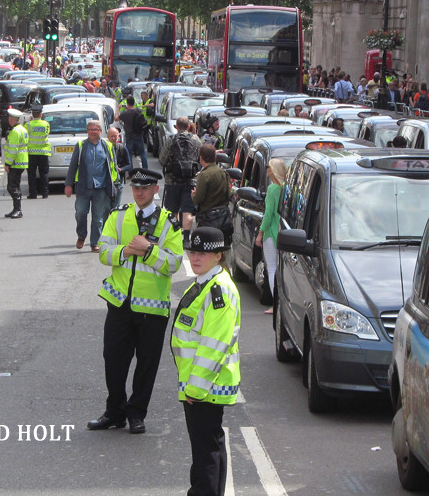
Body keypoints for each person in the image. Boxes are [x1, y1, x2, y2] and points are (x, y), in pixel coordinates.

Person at [90, 168, 183, 434]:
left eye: (145, 188)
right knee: (113, 360)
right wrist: (126, 251)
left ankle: (136, 413)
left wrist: (148, 250)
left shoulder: (169, 223)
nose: (139, 192)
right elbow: (103, 251)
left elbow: (173, 263)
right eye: (135, 188)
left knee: (146, 366)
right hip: (120, 302)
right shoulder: (118, 216)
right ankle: (115, 411)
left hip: (152, 308)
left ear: (156, 190)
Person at [172, 226, 241, 496]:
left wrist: (196, 389)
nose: (195, 258)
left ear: (218, 256)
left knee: (205, 454)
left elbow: (214, 346)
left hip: (205, 386)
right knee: (211, 446)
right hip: (203, 384)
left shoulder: (218, 291)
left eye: (202, 253)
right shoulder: (206, 282)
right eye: (192, 252)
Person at [65, 120, 118, 252]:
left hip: (101, 187)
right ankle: (81, 235)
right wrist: (68, 184)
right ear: (87, 131)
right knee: (80, 213)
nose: (93, 132)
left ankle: (95, 242)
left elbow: (113, 167)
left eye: (96, 129)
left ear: (100, 131)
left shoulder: (107, 146)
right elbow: (73, 166)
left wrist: (115, 183)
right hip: (84, 186)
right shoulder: (81, 145)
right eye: (90, 129)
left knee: (98, 218)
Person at [160, 116, 202, 244]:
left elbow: (162, 160)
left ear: (176, 127)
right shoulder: (196, 140)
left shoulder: (171, 140)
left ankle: (175, 235)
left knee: (173, 210)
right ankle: (186, 238)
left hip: (172, 181)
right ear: (188, 126)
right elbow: (201, 160)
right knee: (188, 211)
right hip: (190, 181)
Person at [255, 158, 287, 314]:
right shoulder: (285, 188)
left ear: (273, 170)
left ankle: (276, 304)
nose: (266, 168)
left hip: (271, 232)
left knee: (272, 268)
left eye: (268, 166)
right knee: (281, 270)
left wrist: (260, 233)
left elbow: (268, 214)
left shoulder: (273, 188)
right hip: (283, 231)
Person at [192, 145, 232, 244]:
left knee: (207, 246)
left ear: (201, 158)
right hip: (223, 217)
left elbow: (198, 199)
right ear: (215, 157)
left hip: (207, 218)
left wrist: (194, 195)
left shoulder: (204, 175)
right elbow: (228, 194)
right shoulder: (223, 173)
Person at [2, 109, 28, 218]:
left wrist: (8, 163)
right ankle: (16, 209)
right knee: (16, 185)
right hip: (21, 161)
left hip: (15, 162)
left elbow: (13, 150)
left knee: (11, 187)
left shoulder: (15, 132)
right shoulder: (22, 129)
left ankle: (18, 209)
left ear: (11, 119)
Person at [25, 103, 52, 199]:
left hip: (31, 153)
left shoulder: (28, 125)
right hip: (43, 152)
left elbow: (25, 136)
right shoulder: (46, 124)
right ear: (41, 114)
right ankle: (45, 193)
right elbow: (47, 132)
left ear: (32, 114)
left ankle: (33, 193)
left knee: (31, 174)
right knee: (44, 173)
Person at [115, 96, 147, 170]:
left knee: (129, 154)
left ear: (127, 103)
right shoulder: (137, 112)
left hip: (129, 136)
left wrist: (118, 108)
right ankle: (145, 170)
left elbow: (116, 118)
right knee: (142, 153)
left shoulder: (125, 114)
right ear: (134, 103)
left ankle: (130, 171)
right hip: (138, 135)